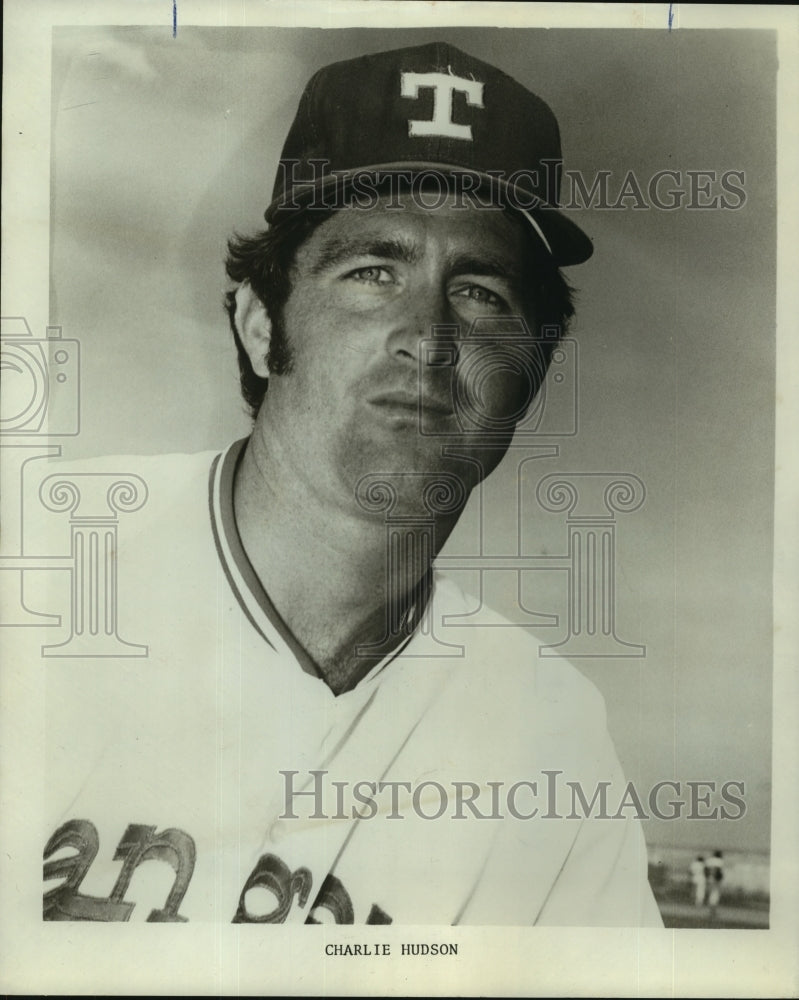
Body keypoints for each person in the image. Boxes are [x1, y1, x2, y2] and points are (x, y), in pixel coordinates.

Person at [41, 41, 662, 926]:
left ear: (529, 376)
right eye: (372, 272)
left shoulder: (549, 735)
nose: (428, 336)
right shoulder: (40, 563)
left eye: (481, 294)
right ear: (261, 328)